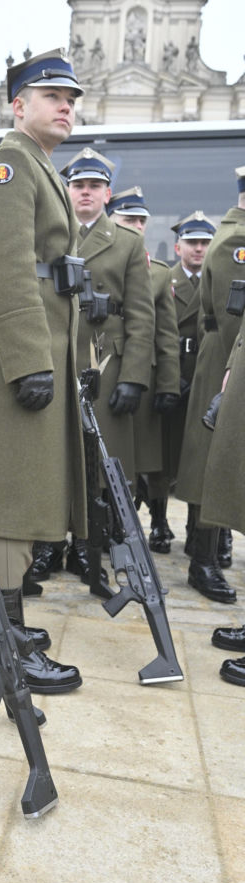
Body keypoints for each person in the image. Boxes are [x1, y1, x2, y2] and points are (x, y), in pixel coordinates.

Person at [0, 48, 86, 694]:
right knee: (8, 498)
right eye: (52, 95)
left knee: (21, 491)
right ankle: (4, 642)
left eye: (72, 98)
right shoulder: (8, 164)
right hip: (13, 351)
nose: (66, 105)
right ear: (17, 104)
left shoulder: (37, 165)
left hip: (32, 344)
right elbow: (4, 266)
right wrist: (31, 360)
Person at [35, 150, 153, 584]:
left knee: (101, 465)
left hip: (104, 362)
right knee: (54, 456)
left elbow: (142, 315)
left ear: (107, 193)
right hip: (57, 357)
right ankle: (48, 545)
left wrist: (134, 376)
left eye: (94, 186)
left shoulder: (128, 241)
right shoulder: (50, 235)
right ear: (68, 191)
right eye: (78, 185)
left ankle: (90, 550)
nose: (85, 193)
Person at [175, 183, 245, 603]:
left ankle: (210, 551)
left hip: (227, 358)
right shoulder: (238, 240)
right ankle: (201, 562)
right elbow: (233, 314)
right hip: (226, 361)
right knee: (209, 460)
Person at [107, 188, 181, 553]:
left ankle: (153, 524)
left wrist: (168, 383)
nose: (136, 226)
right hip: (100, 369)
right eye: (127, 219)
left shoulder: (159, 271)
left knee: (143, 460)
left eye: (141, 220)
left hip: (141, 376)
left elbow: (166, 334)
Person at [157, 212, 217, 554]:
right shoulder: (166, 279)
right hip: (172, 372)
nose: (198, 249)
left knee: (199, 455)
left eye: (204, 243)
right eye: (192, 242)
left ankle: (206, 532)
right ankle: (160, 522)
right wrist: (168, 377)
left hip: (203, 374)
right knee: (164, 453)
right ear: (178, 246)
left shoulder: (219, 279)